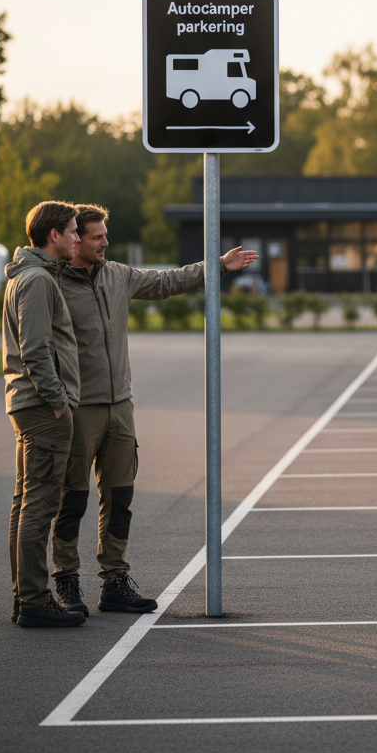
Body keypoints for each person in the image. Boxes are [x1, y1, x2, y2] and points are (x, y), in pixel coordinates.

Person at [51, 204, 258, 615]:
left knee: (120, 495)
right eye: (96, 236)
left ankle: (114, 581)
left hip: (120, 405)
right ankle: (66, 581)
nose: (105, 242)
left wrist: (217, 265)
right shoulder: (53, 283)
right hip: (78, 409)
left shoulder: (117, 276)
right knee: (71, 498)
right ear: (75, 239)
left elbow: (168, 281)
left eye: (105, 235)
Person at [4, 201, 86, 628]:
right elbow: (36, 349)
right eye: (73, 231)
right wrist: (57, 400)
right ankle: (34, 602)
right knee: (39, 504)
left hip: (32, 405)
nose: (77, 237)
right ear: (53, 235)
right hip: (42, 407)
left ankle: (26, 599)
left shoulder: (33, 275)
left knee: (26, 503)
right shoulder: (37, 280)